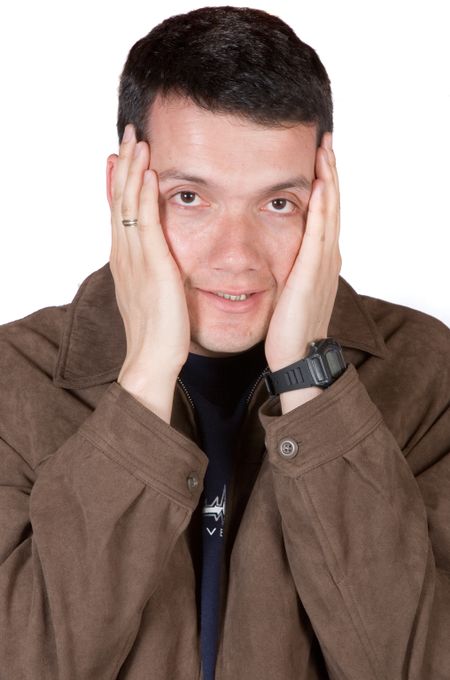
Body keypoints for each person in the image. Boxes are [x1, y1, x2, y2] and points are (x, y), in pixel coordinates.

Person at [0, 5, 448, 680]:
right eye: (189, 197)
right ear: (122, 189)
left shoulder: (427, 375)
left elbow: (416, 664)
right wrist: (147, 374)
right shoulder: (13, 380)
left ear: (323, 198)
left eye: (277, 204)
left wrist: (309, 378)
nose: (236, 258)